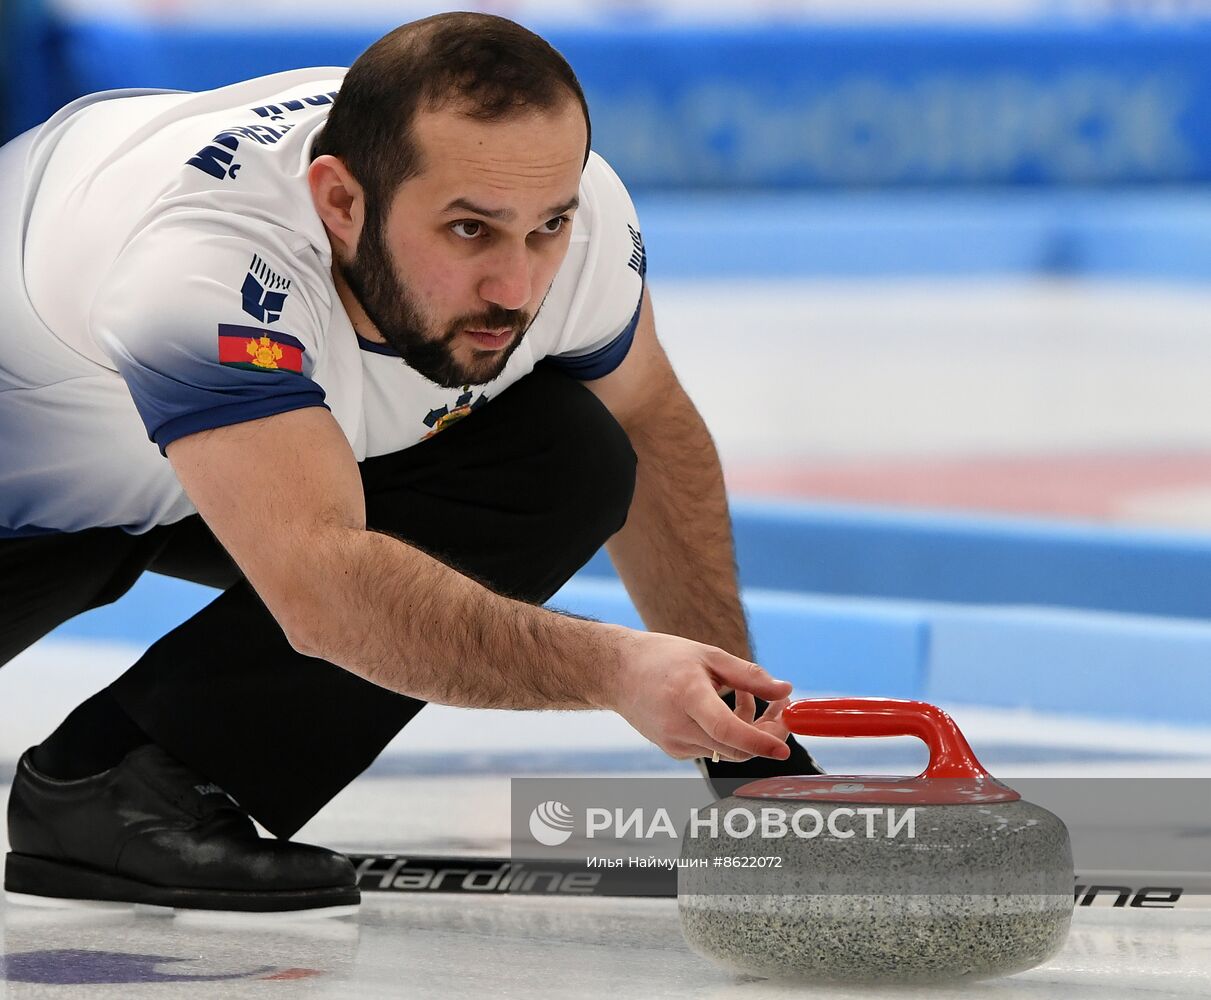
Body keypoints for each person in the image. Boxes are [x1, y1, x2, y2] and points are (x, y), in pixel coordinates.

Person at [0, 13, 819, 914]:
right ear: (340, 203)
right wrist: (616, 669)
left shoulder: (565, 217)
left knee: (572, 452)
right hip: (24, 501)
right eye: (469, 232)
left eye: (546, 227)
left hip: (187, 466)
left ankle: (127, 783)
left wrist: (744, 748)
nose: (517, 285)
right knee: (320, 556)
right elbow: (320, 588)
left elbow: (652, 427)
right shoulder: (202, 262)